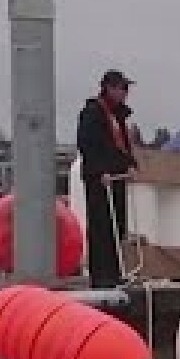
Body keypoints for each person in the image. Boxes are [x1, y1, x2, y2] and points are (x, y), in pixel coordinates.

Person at [76, 69, 137, 288]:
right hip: (100, 179)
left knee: (117, 225)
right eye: (122, 88)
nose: (125, 93)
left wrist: (130, 164)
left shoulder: (118, 116)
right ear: (109, 88)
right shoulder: (93, 113)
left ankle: (115, 270)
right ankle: (101, 274)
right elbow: (87, 144)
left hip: (117, 176)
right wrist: (99, 171)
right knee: (101, 225)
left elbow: (123, 144)